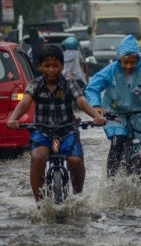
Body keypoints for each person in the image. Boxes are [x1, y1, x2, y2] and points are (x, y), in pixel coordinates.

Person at [6, 45, 106, 202]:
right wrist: (13, 119)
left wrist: (96, 116)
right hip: (42, 132)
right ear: (40, 67)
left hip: (67, 131)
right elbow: (25, 102)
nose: (51, 70)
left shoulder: (69, 82)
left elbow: (81, 102)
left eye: (55, 65)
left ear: (62, 66)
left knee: (76, 161)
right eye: (47, 66)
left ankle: (78, 198)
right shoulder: (35, 84)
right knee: (38, 158)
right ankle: (40, 204)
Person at [84, 35, 141, 177]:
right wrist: (96, 106)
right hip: (114, 114)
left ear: (138, 61)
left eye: (132, 63)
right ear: (119, 60)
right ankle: (111, 179)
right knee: (118, 141)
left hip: (138, 114)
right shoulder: (111, 70)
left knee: (140, 149)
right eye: (125, 62)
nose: (129, 66)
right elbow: (92, 88)